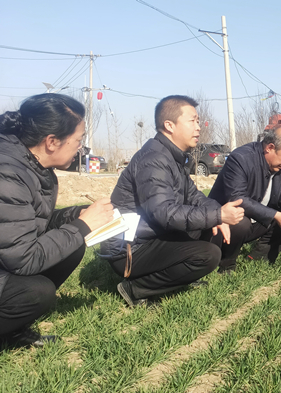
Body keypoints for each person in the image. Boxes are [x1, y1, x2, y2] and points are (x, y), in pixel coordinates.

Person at [102, 95, 245, 307]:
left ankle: (179, 278)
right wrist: (217, 215)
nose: (198, 127)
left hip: (153, 236)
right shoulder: (154, 159)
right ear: (169, 125)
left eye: (198, 121)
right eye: (192, 121)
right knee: (208, 255)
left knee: (214, 228)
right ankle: (136, 288)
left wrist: (218, 214)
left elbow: (194, 196)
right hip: (130, 249)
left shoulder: (172, 157)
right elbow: (163, 213)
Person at [0, 94, 114, 347]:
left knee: (72, 246)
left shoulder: (31, 164)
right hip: (13, 261)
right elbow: (23, 258)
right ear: (51, 142)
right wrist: (83, 226)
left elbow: (27, 222)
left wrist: (77, 216)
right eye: (78, 141)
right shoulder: (7, 173)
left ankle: (12, 327)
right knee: (36, 293)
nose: (80, 149)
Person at [209, 126, 281, 272]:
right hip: (222, 226)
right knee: (240, 220)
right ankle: (227, 264)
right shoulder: (241, 159)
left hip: (255, 222)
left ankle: (259, 258)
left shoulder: (279, 165)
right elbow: (237, 198)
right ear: (270, 148)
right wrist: (274, 215)